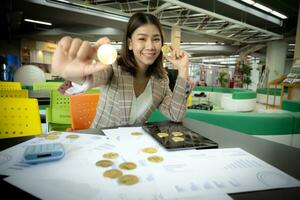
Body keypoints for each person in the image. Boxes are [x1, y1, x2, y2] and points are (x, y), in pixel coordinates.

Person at [52, 12, 191, 128]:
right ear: (130, 43)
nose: (150, 46)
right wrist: (76, 75)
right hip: (102, 143)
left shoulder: (161, 80)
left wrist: (183, 69)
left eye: (156, 39)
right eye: (142, 39)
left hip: (133, 146)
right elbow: (92, 78)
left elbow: (176, 114)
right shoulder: (114, 67)